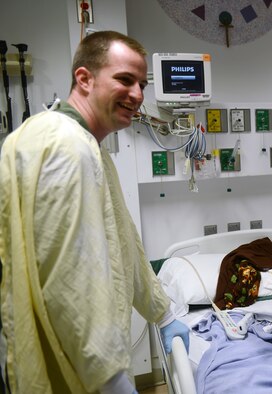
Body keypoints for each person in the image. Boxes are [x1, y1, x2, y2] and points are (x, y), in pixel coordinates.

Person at [0, 31, 188, 394]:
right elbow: (69, 278)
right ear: (84, 79)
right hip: (76, 371)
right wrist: (112, 380)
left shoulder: (87, 145)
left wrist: (162, 314)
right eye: (124, 79)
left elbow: (123, 240)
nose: (137, 94)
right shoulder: (66, 146)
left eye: (142, 84)